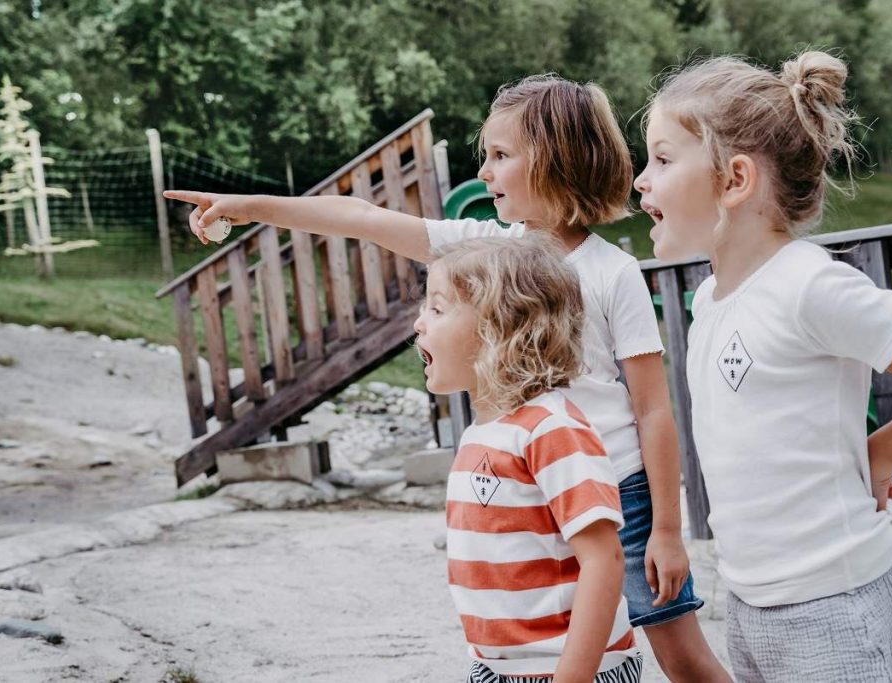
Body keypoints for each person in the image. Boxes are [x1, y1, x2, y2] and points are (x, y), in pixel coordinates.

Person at [166, 74, 729, 681]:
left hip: (618, 490)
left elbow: (652, 409)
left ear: (555, 158)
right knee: (543, 644)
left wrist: (669, 531)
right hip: (529, 492)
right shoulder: (486, 253)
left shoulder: (612, 272)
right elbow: (360, 217)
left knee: (679, 653)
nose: (484, 172)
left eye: (499, 156)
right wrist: (246, 209)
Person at [634, 50, 892, 681]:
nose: (641, 179)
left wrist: (877, 456)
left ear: (734, 180)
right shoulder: (711, 307)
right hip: (755, 603)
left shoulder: (809, 285)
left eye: (662, 160)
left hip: (840, 603)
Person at [417, 233, 641, 681]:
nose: (419, 323)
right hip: (495, 668)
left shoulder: (552, 428)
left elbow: (604, 561)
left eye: (437, 309)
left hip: (571, 669)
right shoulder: (483, 433)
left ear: (500, 330)